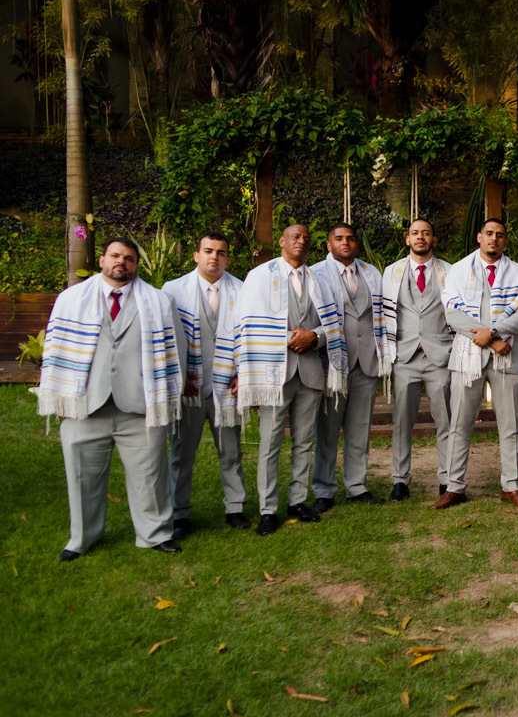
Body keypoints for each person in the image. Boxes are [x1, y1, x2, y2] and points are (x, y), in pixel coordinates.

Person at [38, 237, 183, 559]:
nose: (122, 262)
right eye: (115, 256)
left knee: (150, 476)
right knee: (82, 475)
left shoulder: (158, 301)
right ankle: (81, 538)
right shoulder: (71, 299)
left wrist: (167, 392)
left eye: (129, 258)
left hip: (140, 405)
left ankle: (155, 534)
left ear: (136, 265)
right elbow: (56, 348)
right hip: (87, 405)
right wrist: (63, 396)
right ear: (102, 260)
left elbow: (176, 349)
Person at [236, 224, 346, 535]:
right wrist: (287, 337)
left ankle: (297, 500)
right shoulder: (260, 276)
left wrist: (315, 336)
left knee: (303, 441)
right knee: (270, 442)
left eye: (306, 238)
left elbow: (333, 324)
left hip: (310, 370)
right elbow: (248, 322)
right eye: (295, 237)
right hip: (274, 372)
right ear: (282, 241)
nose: (301, 241)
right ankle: (268, 509)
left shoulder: (319, 280)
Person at [438, 218, 518, 508]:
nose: (494, 239)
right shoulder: (458, 270)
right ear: (479, 237)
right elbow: (452, 313)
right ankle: (454, 487)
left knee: (510, 425)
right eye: (489, 234)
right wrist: (492, 339)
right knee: (460, 424)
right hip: (468, 356)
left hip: (507, 356)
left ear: (505, 241)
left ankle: (512, 486)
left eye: (500, 235)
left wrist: (494, 333)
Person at [162, 233, 248, 537]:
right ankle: (179, 513)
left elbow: (250, 339)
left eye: (221, 252)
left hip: (226, 386)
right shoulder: (173, 291)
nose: (215, 257)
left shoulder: (242, 290)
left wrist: (243, 375)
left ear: (227, 258)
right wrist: (177, 378)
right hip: (190, 387)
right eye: (208, 251)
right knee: (182, 452)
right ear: (196, 255)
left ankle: (235, 507)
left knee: (231, 450)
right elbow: (166, 340)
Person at [311, 223, 385, 512]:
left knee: (359, 429)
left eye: (351, 239)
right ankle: (324, 490)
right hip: (333, 363)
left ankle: (356, 486)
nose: (346, 243)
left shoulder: (370, 273)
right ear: (329, 244)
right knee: (327, 430)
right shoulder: (316, 273)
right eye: (339, 239)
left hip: (366, 361)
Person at [381, 219, 454, 502]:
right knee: (402, 421)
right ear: (407, 239)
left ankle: (447, 478)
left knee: (445, 420)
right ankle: (400, 479)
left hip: (440, 356)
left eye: (425, 232)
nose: (420, 237)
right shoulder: (392, 272)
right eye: (415, 233)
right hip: (405, 355)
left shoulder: (449, 271)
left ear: (433, 239)